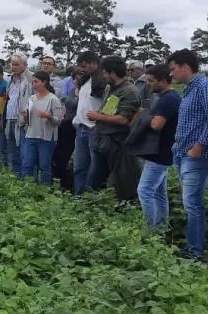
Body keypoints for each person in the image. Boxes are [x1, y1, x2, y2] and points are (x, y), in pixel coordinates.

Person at [167, 49, 208, 260]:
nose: (171, 74)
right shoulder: (190, 89)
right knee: (189, 201)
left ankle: (195, 251)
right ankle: (192, 246)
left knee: (192, 203)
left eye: (173, 69)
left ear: (185, 66)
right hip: (183, 152)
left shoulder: (206, 87)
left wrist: (199, 146)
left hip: (195, 155)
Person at [87, 56, 141, 201]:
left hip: (117, 143)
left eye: (105, 73)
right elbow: (108, 111)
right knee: (97, 175)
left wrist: (97, 117)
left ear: (112, 72)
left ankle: (116, 210)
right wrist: (99, 114)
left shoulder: (129, 91)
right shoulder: (110, 88)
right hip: (103, 140)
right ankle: (97, 204)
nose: (104, 76)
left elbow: (123, 119)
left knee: (119, 179)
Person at [134, 64, 181, 230]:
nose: (148, 84)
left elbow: (156, 125)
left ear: (162, 81)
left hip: (159, 152)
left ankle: (151, 231)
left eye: (151, 80)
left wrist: (145, 116)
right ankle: (162, 227)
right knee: (160, 193)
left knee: (144, 191)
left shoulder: (168, 99)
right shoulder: (168, 97)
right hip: (161, 150)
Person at [71, 51, 107, 195]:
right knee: (79, 165)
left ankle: (91, 197)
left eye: (84, 66)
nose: (82, 69)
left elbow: (109, 103)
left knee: (94, 166)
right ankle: (78, 195)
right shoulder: (85, 81)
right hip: (81, 127)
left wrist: (99, 117)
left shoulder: (102, 81)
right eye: (80, 66)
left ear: (94, 64)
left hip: (94, 128)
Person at [20, 71, 64, 185]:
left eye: (36, 82)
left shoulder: (53, 99)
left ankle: (45, 190)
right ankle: (27, 187)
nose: (33, 84)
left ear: (44, 82)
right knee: (26, 164)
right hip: (31, 135)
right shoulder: (32, 98)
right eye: (33, 82)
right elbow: (28, 121)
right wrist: (26, 116)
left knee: (44, 166)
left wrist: (48, 116)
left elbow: (58, 121)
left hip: (46, 138)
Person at [3, 53, 33, 175]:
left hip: (22, 121)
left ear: (25, 65)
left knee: (24, 153)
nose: (13, 67)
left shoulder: (31, 79)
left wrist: (27, 119)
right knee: (13, 152)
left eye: (16, 64)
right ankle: (16, 178)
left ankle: (26, 179)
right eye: (12, 64)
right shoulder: (10, 80)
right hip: (10, 119)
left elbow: (33, 99)